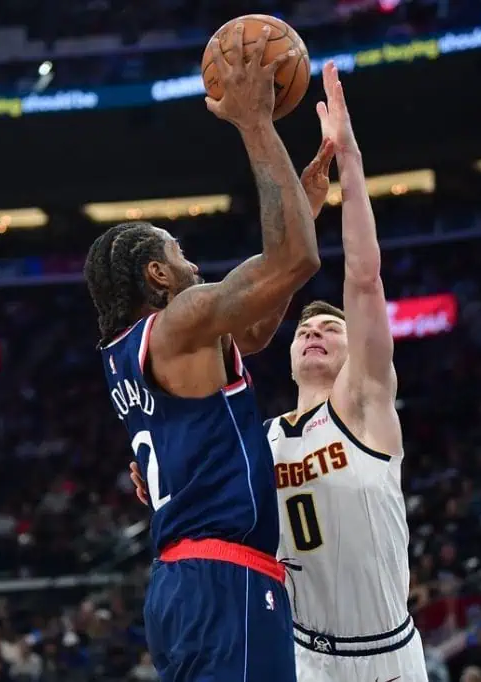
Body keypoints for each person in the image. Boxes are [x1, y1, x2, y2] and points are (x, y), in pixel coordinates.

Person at [136, 61, 428, 682]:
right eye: (306, 328)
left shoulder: (367, 406)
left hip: (387, 652)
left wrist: (349, 164)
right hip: (297, 653)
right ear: (290, 353)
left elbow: (363, 278)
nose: (316, 330)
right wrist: (152, 473)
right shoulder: (258, 441)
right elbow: (195, 470)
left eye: (332, 328)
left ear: (358, 356)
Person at [83, 23, 333, 682]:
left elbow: (254, 331)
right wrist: (256, 125)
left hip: (184, 584)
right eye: (178, 254)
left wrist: (297, 208)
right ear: (157, 279)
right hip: (223, 580)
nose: (191, 264)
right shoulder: (180, 321)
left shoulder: (132, 351)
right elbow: (295, 259)